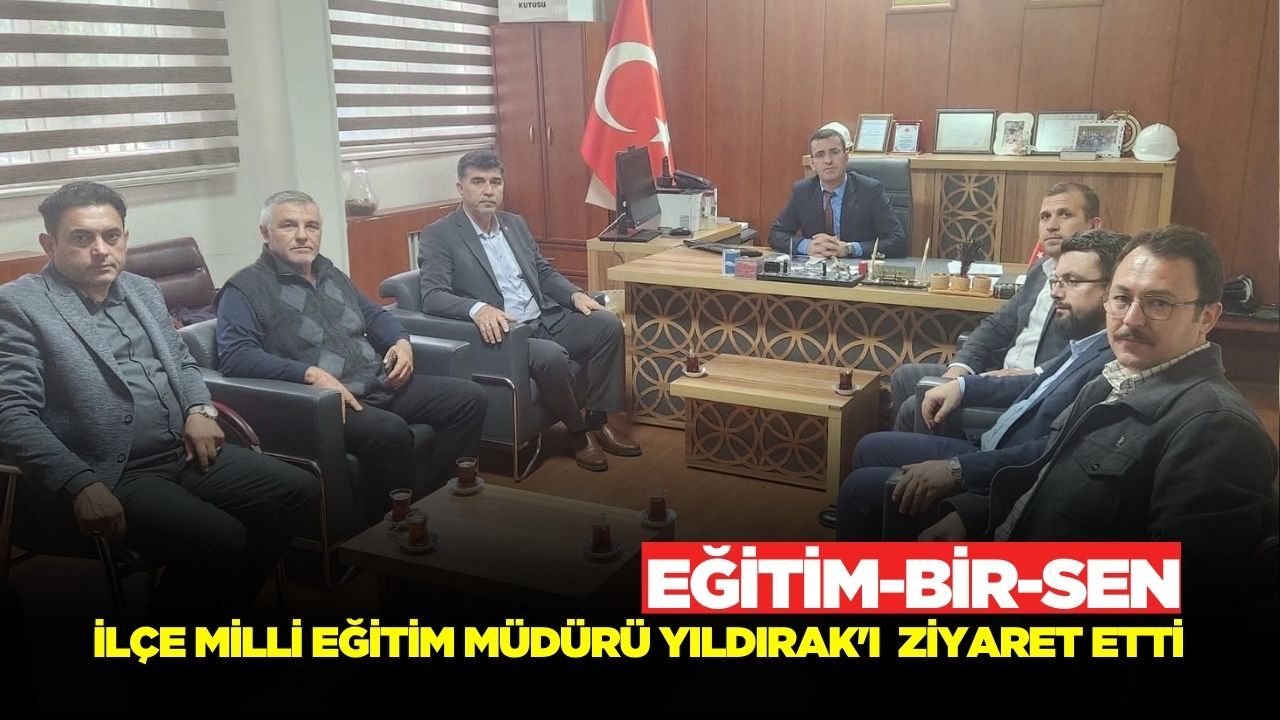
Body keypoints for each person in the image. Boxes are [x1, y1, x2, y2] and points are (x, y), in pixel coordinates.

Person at [0, 181, 317, 621]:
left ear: (125, 238)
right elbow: (11, 413)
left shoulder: (142, 290)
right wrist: (81, 483)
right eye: (82, 238)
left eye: (111, 236)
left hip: (180, 450)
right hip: (108, 470)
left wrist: (199, 409)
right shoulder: (20, 305)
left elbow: (183, 363)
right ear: (49, 244)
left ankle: (220, 607)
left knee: (299, 489)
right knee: (219, 537)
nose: (100, 250)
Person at [921, 225, 1278, 612]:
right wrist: (972, 516)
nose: (1131, 319)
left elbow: (1182, 592)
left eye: (1159, 303)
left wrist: (994, 583)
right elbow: (1045, 474)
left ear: (1207, 317)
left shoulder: (1218, 429)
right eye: (1121, 298)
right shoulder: (1111, 380)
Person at [830, 230, 1128, 538]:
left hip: (1001, 474)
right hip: (991, 445)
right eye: (1057, 281)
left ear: (1112, 291)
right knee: (869, 447)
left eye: (1072, 281)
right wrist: (963, 385)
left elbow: (1050, 455)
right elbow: (1038, 382)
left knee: (857, 489)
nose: (1056, 292)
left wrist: (958, 470)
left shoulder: (1112, 362)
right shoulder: (1089, 342)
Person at [217, 191, 487, 510]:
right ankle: (401, 520)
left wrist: (401, 342)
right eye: (289, 225)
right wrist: (309, 374)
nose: (303, 235)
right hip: (332, 403)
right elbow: (236, 356)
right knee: (388, 431)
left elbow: (374, 315)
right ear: (266, 233)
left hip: (379, 382)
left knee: (470, 398)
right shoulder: (244, 289)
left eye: (312, 226)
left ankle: (435, 501)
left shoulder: (330, 272)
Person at [418, 150, 639, 471]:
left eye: (495, 182)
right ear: (460, 188)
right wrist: (477, 309)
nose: (488, 190)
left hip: (546, 317)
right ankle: (578, 435)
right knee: (553, 358)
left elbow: (542, 272)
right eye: (478, 182)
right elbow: (433, 296)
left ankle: (597, 421)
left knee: (607, 326)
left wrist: (574, 295)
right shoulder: (440, 235)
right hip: (509, 333)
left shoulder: (514, 224)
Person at [889, 182, 1104, 430]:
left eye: (1065, 215)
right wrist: (960, 366)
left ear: (1093, 225)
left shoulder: (1099, 284)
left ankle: (915, 453)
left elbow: (1090, 354)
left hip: (1035, 391)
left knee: (914, 407)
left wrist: (1033, 373)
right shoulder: (1040, 270)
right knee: (904, 377)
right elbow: (996, 326)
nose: (1051, 225)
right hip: (1001, 373)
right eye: (1045, 216)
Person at [768, 127, 906, 258]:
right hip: (816, 267)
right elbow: (776, 234)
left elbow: (898, 241)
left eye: (834, 152)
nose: (828, 161)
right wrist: (807, 246)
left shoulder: (870, 190)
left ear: (846, 157)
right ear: (812, 164)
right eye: (820, 155)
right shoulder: (802, 191)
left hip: (856, 267)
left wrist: (849, 249)